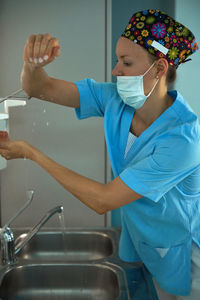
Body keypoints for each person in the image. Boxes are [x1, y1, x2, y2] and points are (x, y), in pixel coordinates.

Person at [0, 9, 199, 300]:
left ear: (158, 69)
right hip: (139, 239)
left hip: (180, 256)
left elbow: (103, 200)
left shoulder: (183, 141)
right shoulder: (115, 100)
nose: (116, 70)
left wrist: (32, 154)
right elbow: (38, 87)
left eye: (126, 62)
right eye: (117, 59)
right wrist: (32, 64)